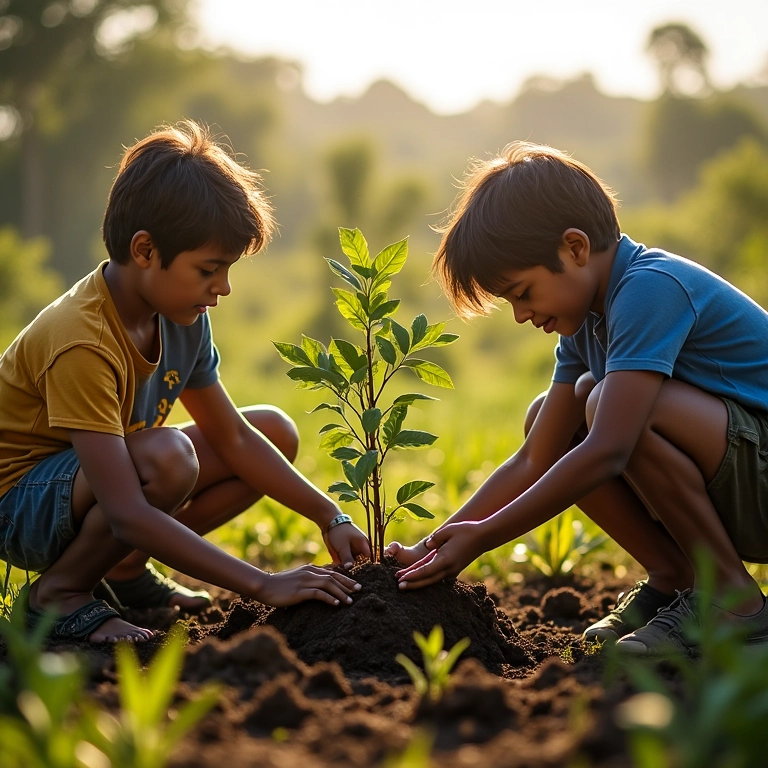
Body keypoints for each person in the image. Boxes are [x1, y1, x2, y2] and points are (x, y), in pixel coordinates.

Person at [388, 141, 768, 656]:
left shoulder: (650, 288)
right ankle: (675, 576)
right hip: (742, 482)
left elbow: (609, 448)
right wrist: (435, 542)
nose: (521, 315)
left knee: (606, 404)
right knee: (551, 415)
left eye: (523, 292)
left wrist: (485, 536)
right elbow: (535, 457)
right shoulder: (585, 323)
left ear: (575, 248)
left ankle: (732, 599)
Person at [0, 120, 370, 644]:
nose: (223, 288)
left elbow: (233, 438)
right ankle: (58, 594)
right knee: (168, 458)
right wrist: (263, 584)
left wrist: (330, 516)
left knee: (272, 432)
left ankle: (123, 569)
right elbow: (126, 511)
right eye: (208, 270)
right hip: (19, 504)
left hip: (93, 488)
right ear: (145, 251)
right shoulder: (82, 339)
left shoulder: (182, 316)